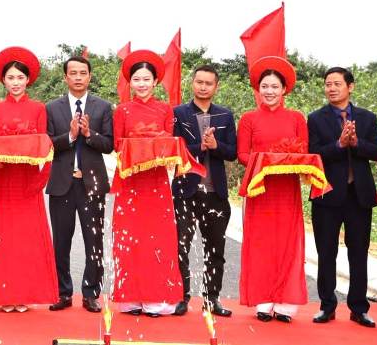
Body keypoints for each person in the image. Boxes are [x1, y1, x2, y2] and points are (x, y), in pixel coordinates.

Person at [0, 46, 58, 312]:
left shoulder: (39, 109)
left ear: (28, 80)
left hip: (27, 179)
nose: (15, 82)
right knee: (4, 236)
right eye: (10, 78)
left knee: (28, 237)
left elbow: (44, 146)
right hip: (4, 179)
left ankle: (25, 292)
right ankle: (5, 294)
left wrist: (40, 179)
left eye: (20, 77)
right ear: (3, 80)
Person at [309, 66, 377, 327]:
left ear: (350, 87)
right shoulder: (315, 119)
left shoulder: (367, 118)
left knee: (359, 253)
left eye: (336, 84)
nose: (331, 88)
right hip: (327, 194)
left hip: (359, 195)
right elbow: (313, 153)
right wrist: (339, 144)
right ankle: (327, 306)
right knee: (326, 252)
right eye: (327, 84)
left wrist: (356, 143)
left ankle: (359, 308)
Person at [111, 50, 184, 316]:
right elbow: (117, 144)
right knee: (130, 237)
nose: (141, 84)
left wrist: (152, 145)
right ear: (130, 82)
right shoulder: (122, 110)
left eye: (146, 79)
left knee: (158, 238)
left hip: (156, 181)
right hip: (130, 180)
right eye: (137, 79)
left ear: (155, 81)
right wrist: (140, 145)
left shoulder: (165, 109)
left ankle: (157, 298)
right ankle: (130, 297)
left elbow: (169, 144)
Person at [237, 56, 309, 323]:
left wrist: (284, 162)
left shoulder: (297, 118)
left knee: (287, 243)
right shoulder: (249, 118)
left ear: (284, 89)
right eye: (264, 86)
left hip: (287, 189)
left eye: (274, 87)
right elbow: (242, 154)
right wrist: (266, 163)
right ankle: (263, 301)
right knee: (261, 243)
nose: (269, 91)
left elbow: (304, 152)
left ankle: (285, 304)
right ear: (258, 89)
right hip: (260, 188)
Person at [46, 54, 113, 313]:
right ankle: (63, 292)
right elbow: (47, 144)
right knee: (61, 242)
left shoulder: (102, 107)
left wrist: (88, 133)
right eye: (72, 73)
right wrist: (71, 136)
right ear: (65, 77)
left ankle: (90, 293)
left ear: (89, 76)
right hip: (61, 184)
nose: (77, 77)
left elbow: (109, 144)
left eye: (82, 73)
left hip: (91, 184)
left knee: (93, 241)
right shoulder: (52, 108)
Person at [172, 64, 237, 317]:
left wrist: (216, 145)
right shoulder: (178, 113)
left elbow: (232, 152)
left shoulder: (225, 115)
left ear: (216, 87)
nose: (203, 87)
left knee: (215, 250)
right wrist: (201, 146)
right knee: (181, 248)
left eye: (208, 83)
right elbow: (174, 149)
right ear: (193, 83)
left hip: (215, 192)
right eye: (199, 82)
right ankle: (181, 297)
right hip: (185, 191)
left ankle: (212, 299)